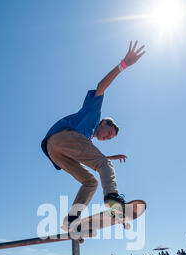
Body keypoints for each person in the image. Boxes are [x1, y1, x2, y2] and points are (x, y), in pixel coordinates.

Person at [41, 41, 146, 230]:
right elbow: (101, 85)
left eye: (109, 139)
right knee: (104, 164)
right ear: (104, 123)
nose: (106, 138)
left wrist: (110, 157)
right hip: (63, 137)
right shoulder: (94, 112)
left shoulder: (86, 138)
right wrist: (124, 64)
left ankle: (71, 220)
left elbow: (88, 155)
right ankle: (113, 198)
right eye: (109, 133)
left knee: (90, 182)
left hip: (55, 151)